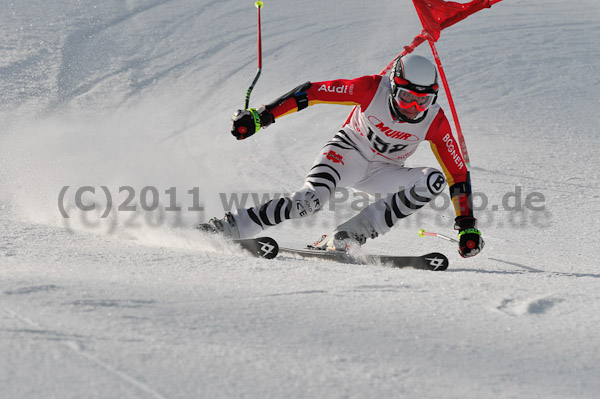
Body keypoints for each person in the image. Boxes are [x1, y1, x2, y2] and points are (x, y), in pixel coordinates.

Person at [199, 54, 484, 258]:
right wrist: (262, 116)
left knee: (433, 180)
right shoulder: (372, 88)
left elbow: (457, 176)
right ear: (393, 87)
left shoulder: (434, 120)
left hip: (384, 173)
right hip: (346, 154)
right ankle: (230, 226)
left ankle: (351, 233)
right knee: (307, 204)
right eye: (406, 97)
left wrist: (467, 228)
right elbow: (312, 93)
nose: (413, 107)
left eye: (423, 100)